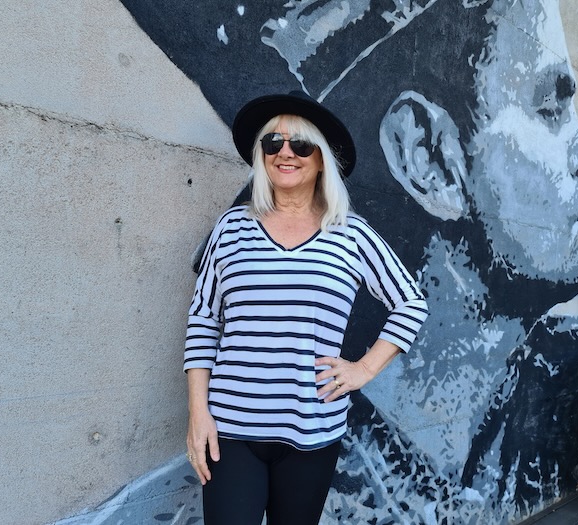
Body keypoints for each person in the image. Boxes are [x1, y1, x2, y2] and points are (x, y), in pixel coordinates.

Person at [183, 90, 428, 525]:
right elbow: (203, 321)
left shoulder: (350, 234)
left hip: (312, 431)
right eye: (272, 143)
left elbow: (410, 303)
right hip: (230, 430)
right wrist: (198, 413)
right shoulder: (232, 227)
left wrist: (363, 370)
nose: (285, 152)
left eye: (300, 143)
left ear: (321, 159)